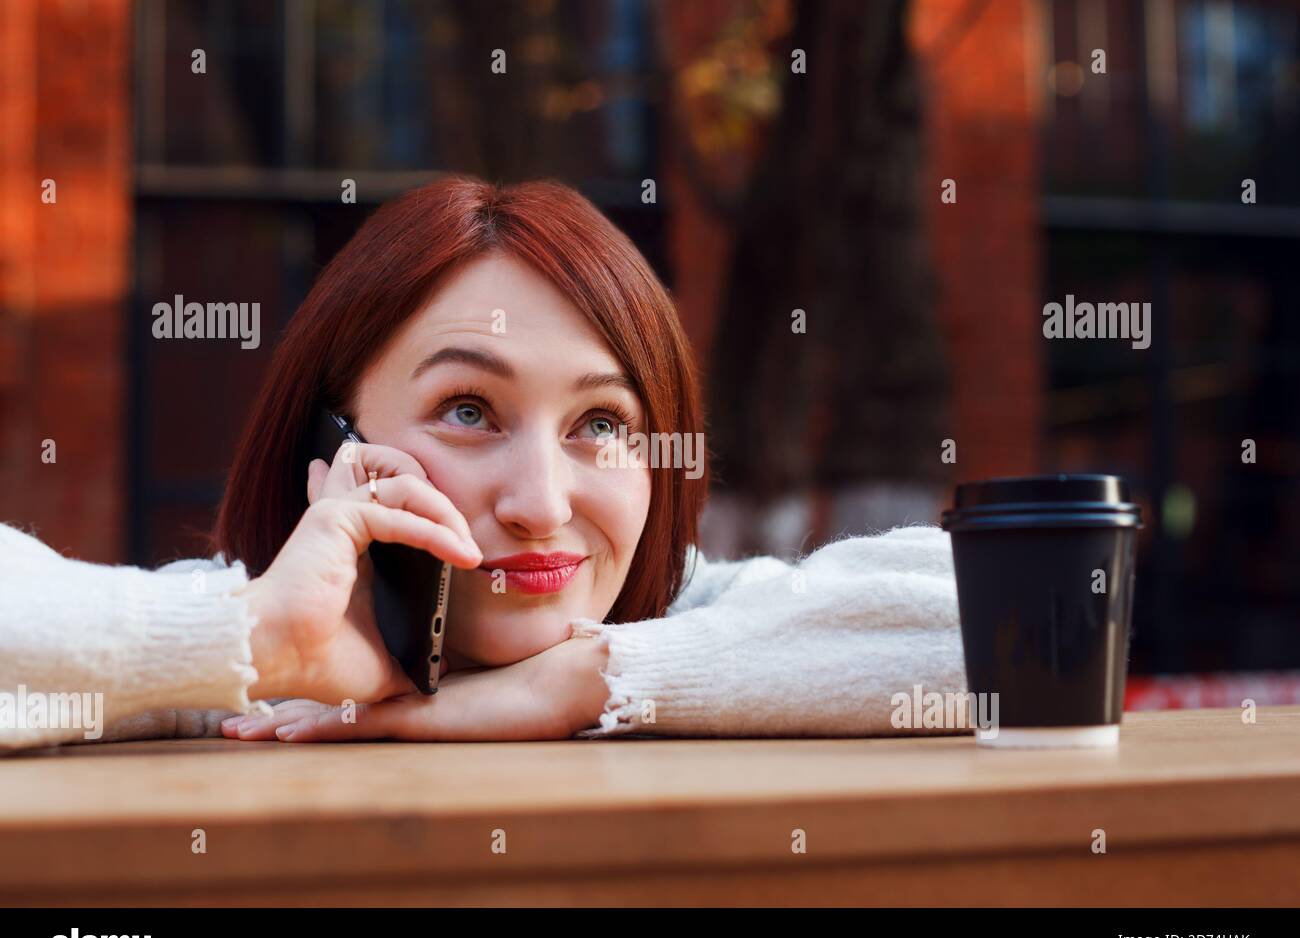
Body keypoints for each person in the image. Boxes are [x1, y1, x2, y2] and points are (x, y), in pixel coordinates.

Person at [1, 176, 966, 752]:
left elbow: (1010, 629)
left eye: (600, 421)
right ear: (331, 449)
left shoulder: (699, 624)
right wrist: (264, 643)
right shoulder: (245, 663)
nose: (542, 505)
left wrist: (590, 682)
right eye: (469, 411)